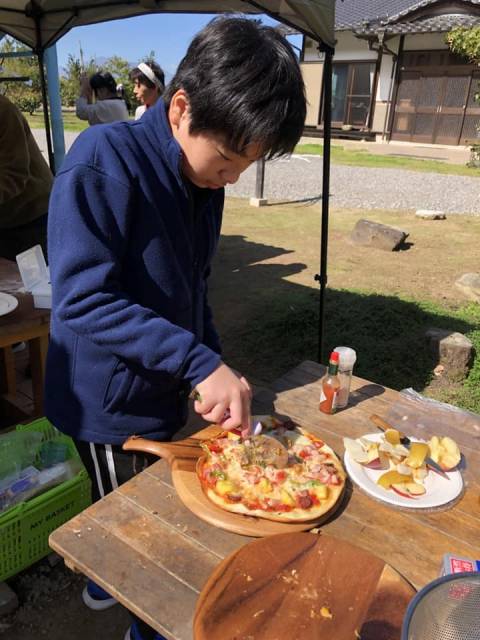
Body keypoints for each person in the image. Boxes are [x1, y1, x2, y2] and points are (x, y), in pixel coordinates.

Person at [46, 16, 306, 640]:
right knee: (137, 536)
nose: (234, 177)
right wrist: (195, 363)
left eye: (249, 162)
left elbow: (191, 287)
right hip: (107, 405)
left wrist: (212, 358)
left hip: (160, 389)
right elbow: (80, 299)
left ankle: (121, 584)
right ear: (180, 107)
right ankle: (124, 598)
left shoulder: (201, 180)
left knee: (157, 508)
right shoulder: (102, 163)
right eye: (228, 157)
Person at [0, 94, 52, 261]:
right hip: (5, 219)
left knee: (32, 284)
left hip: (31, 219)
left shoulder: (4, 111)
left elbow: (14, 175)